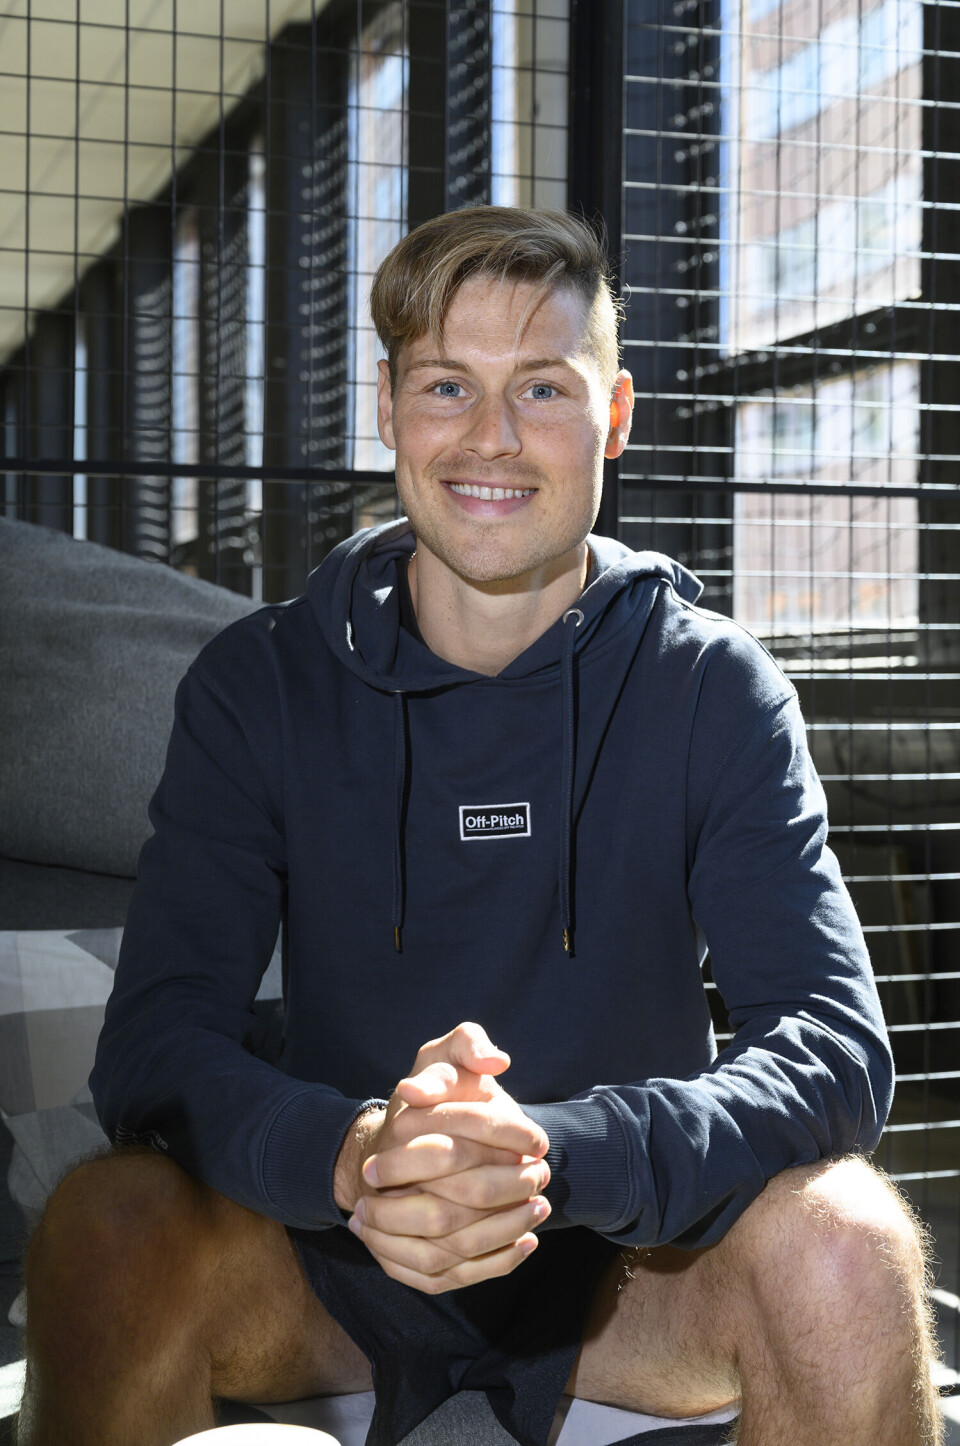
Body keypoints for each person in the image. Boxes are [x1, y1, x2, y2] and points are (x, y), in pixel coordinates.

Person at [17, 207, 941, 1446]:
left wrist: (558, 1155)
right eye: (449, 383)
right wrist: (349, 1154)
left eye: (543, 389)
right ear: (390, 405)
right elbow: (155, 1046)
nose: (492, 438)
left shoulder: (712, 685)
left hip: (630, 1263)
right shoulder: (261, 685)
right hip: (330, 1255)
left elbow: (834, 1046)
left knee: (851, 1244)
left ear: (615, 414)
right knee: (105, 1224)